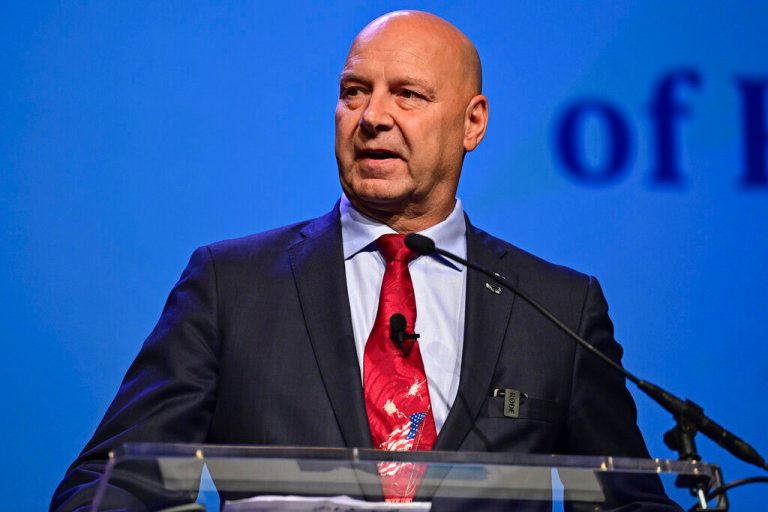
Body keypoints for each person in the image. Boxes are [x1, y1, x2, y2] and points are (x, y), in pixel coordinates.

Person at [52, 11, 678, 511]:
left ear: (472, 123)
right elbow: (107, 484)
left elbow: (629, 501)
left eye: (407, 95)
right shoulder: (230, 286)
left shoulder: (557, 309)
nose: (373, 117)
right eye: (355, 92)